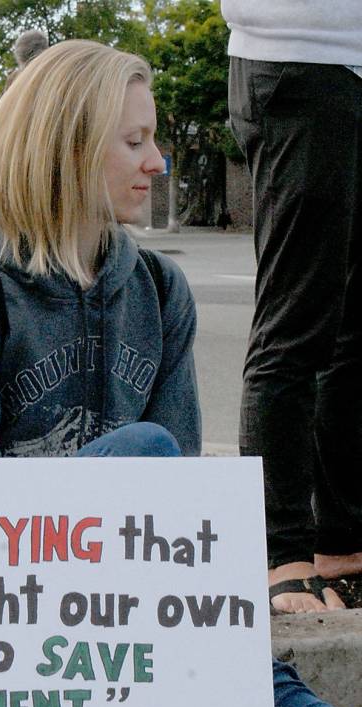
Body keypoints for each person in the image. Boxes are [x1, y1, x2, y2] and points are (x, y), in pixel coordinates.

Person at [0, 39, 362, 707]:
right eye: (136, 142)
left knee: (256, 677)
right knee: (146, 456)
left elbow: (181, 522)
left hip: (124, 611)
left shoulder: (158, 288)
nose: (158, 165)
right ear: (68, 149)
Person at [222, 3, 362, 615]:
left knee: (351, 327)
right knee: (295, 323)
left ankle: (340, 542)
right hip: (299, 58)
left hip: (344, 67)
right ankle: (283, 553)